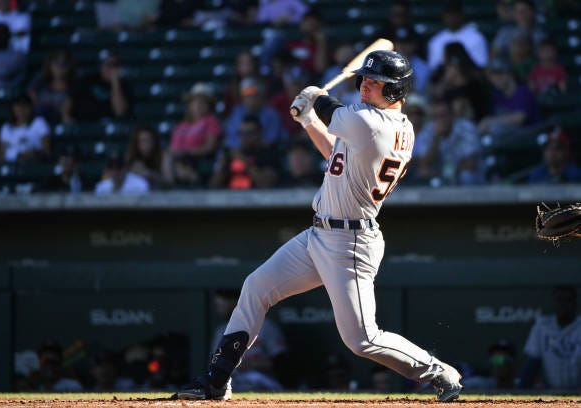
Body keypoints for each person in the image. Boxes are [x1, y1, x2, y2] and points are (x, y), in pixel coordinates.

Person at [172, 50, 463, 402]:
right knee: (256, 287)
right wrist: (309, 121)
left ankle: (440, 373)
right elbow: (336, 156)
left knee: (362, 339)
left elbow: (331, 108)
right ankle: (216, 380)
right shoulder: (379, 126)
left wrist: (313, 95)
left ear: (396, 91)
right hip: (320, 234)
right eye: (364, 80)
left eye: (376, 83)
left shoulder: (372, 123)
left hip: (350, 242)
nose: (366, 87)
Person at [210, 289, 287, 391]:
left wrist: (249, 364)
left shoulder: (265, 326)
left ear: (235, 302)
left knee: (254, 378)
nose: (219, 309)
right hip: (234, 380)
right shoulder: (221, 331)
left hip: (263, 379)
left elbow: (281, 361)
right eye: (218, 306)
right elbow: (214, 364)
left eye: (221, 305)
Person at [519, 286, 580, 391]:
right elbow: (532, 363)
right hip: (551, 391)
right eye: (559, 300)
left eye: (567, 300)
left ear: (575, 303)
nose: (563, 305)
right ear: (554, 303)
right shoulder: (543, 325)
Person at [413, 99, 484, 186]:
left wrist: (448, 172)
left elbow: (471, 163)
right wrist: (436, 138)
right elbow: (424, 163)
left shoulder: (466, 128)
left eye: (443, 116)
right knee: (422, 173)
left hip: (464, 175)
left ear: (452, 115)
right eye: (436, 117)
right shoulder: (429, 130)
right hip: (440, 175)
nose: (440, 120)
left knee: (466, 175)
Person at [170, 82, 223, 187]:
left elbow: (210, 147)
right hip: (179, 159)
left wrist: (188, 152)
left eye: (203, 102)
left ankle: (194, 181)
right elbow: (173, 148)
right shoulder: (181, 125)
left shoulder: (211, 121)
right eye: (195, 102)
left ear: (209, 106)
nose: (198, 106)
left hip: (198, 159)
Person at [210, 114, 281, 189]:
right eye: (241, 133)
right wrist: (221, 167)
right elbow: (213, 185)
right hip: (230, 198)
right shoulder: (230, 154)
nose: (244, 137)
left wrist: (244, 161)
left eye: (249, 133)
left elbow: (265, 183)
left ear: (259, 133)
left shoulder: (269, 154)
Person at [477, 58, 540, 136]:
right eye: (492, 77)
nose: (495, 80)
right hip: (509, 138)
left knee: (494, 128)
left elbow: (520, 118)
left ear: (509, 73)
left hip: (529, 135)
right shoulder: (497, 94)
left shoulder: (522, 91)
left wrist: (490, 121)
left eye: (499, 75)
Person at [224, 76, 286, 150]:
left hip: (266, 154)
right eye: (246, 94)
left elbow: (271, 141)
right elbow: (230, 139)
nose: (250, 98)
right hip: (241, 152)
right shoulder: (237, 111)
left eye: (254, 93)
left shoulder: (271, 114)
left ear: (261, 95)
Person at [426, 0, 489, 72]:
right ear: (443, 16)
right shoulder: (435, 41)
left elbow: (480, 67)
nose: (452, 18)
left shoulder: (477, 38)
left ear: (462, 15)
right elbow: (433, 70)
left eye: (455, 14)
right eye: (449, 14)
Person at [70, 52, 133, 122]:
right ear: (101, 65)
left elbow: (120, 111)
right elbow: (70, 102)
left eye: (115, 65)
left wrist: (115, 82)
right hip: (86, 125)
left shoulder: (124, 86)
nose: (111, 68)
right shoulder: (87, 81)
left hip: (112, 127)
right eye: (108, 64)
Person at [27, 49, 77, 125]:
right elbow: (31, 101)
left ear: (70, 66)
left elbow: (67, 110)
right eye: (57, 64)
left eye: (64, 64)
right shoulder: (39, 82)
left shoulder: (75, 85)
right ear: (50, 65)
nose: (60, 68)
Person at [0, 94, 51, 163]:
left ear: (30, 108)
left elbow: (47, 150)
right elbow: (1, 155)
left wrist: (33, 154)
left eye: (24, 106)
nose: (21, 110)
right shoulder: (6, 127)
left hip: (31, 165)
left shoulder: (39, 123)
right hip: (10, 165)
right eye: (18, 106)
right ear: (13, 108)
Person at [127, 125, 174, 190]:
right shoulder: (132, 159)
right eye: (142, 141)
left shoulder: (164, 156)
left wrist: (150, 174)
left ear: (154, 141)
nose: (145, 144)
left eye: (148, 140)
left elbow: (169, 181)